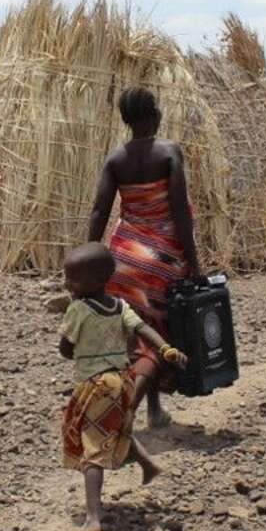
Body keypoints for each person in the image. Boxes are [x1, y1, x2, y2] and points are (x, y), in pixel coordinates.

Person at [88, 86, 202, 429]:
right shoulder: (169, 152)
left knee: (139, 335)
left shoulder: (115, 158)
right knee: (158, 340)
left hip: (123, 259)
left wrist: (91, 258)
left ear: (125, 120)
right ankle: (127, 415)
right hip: (160, 260)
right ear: (156, 114)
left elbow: (98, 211)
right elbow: (180, 212)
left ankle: (154, 412)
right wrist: (194, 263)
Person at [60, 242, 187, 531]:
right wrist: (166, 349)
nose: (66, 284)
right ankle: (147, 464)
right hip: (122, 380)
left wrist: (79, 346)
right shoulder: (120, 306)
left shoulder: (77, 310)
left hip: (95, 384)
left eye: (72, 279)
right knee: (115, 428)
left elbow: (66, 350)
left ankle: (93, 516)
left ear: (95, 281)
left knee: (92, 446)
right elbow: (143, 329)